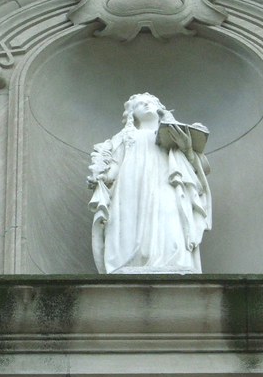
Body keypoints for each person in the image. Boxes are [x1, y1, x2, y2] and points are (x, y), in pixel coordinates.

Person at [88, 94, 211, 274]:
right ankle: (130, 263)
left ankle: (172, 263)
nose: (146, 104)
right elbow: (113, 168)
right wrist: (101, 177)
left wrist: (187, 148)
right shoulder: (124, 136)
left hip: (167, 182)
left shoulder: (175, 135)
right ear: (131, 114)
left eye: (152, 102)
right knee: (129, 221)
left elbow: (197, 174)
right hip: (130, 186)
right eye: (139, 104)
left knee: (169, 218)